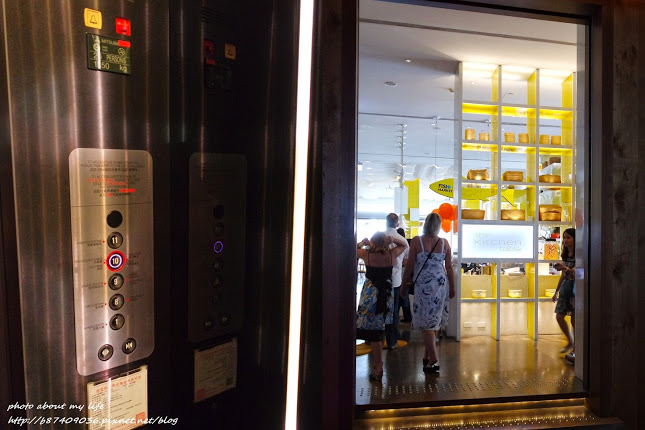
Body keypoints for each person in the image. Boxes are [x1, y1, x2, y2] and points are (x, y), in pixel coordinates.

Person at [400, 212, 455, 374]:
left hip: (424, 285)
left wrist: (404, 285)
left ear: (425, 224)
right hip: (440, 284)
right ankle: (427, 356)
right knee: (434, 321)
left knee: (426, 323)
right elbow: (449, 267)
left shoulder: (417, 241)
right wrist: (452, 287)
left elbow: (410, 266)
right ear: (439, 226)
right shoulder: (444, 243)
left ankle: (434, 358)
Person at [356, 231, 408, 380]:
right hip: (386, 294)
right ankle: (378, 365)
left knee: (374, 332)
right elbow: (404, 245)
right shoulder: (391, 255)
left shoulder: (366, 255)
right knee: (380, 329)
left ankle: (378, 367)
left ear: (373, 241)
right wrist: (394, 239)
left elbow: (352, 249)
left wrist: (363, 242)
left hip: (371, 295)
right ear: (385, 242)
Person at [384, 214, 410, 350]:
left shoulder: (378, 237)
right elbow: (406, 260)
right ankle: (392, 341)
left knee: (378, 310)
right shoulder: (402, 240)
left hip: (379, 279)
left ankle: (375, 340)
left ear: (386, 222)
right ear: (397, 223)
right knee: (393, 312)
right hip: (395, 280)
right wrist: (398, 264)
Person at [552, 228, 576, 362]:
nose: (566, 240)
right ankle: (570, 341)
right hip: (565, 289)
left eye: (569, 237)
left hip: (575, 290)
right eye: (564, 237)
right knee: (559, 316)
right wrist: (556, 291)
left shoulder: (579, 254)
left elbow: (579, 273)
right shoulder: (565, 254)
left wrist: (565, 268)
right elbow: (563, 275)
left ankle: (575, 350)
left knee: (574, 320)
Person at [397, 227, 412, 323]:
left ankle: (406, 317)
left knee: (403, 296)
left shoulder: (402, 244)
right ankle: (407, 316)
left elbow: (406, 261)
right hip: (405, 273)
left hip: (402, 273)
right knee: (404, 295)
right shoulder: (406, 244)